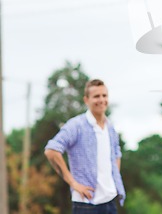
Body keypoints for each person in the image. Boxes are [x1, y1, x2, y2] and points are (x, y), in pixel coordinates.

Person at [45, 79, 126, 214]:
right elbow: (51, 151)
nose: (101, 100)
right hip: (86, 204)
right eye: (96, 96)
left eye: (104, 96)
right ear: (86, 100)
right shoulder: (76, 125)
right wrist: (73, 183)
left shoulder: (110, 127)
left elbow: (116, 153)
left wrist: (113, 180)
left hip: (110, 200)